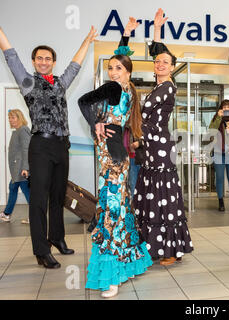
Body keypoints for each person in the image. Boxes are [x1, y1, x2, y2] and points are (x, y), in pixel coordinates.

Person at [0, 26, 97, 269]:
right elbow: (10, 55)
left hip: (62, 145)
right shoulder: (28, 82)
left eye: (48, 58)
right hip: (41, 145)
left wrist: (87, 40)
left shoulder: (60, 84)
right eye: (40, 58)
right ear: (34, 62)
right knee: (39, 201)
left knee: (58, 196)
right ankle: (41, 250)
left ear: (53, 62)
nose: (44, 62)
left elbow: (75, 65)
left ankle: (57, 238)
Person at [78, 29, 152, 298]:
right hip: (114, 159)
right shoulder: (124, 89)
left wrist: (94, 122)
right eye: (110, 68)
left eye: (117, 68)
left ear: (128, 71)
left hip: (114, 161)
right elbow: (87, 105)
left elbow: (82, 101)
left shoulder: (123, 89)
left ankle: (114, 276)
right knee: (119, 210)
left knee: (113, 212)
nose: (112, 72)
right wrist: (96, 123)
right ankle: (126, 266)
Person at [132, 9, 194, 266]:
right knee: (154, 195)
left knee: (162, 195)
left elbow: (149, 121)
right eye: (157, 61)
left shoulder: (167, 86)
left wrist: (135, 135)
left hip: (158, 147)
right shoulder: (158, 85)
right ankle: (158, 247)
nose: (159, 64)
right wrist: (156, 28)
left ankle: (170, 250)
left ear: (172, 67)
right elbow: (157, 49)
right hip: (153, 147)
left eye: (165, 62)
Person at [0, 109, 31, 224]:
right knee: (13, 188)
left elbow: (26, 150)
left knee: (27, 193)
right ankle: (7, 214)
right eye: (9, 118)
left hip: (21, 169)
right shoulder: (18, 130)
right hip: (17, 169)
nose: (10, 120)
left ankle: (35, 216)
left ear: (19, 118)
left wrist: (25, 168)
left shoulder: (23, 130)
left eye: (13, 117)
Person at [209, 99, 229, 212]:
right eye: (224, 107)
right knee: (219, 178)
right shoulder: (216, 118)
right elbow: (211, 131)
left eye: (228, 107)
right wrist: (219, 117)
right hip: (218, 152)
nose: (226, 109)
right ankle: (220, 202)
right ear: (221, 109)